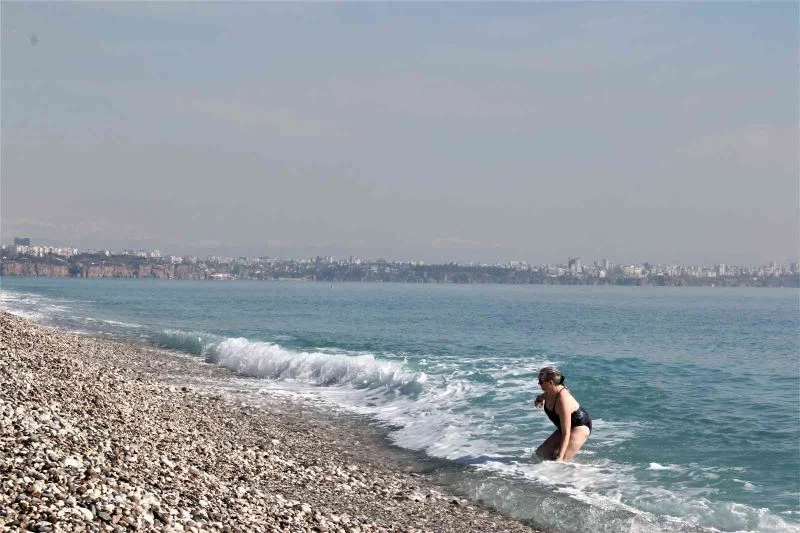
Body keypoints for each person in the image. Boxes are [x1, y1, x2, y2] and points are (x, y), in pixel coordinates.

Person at [533, 366, 592, 461]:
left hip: (579, 426)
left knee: (559, 460)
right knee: (540, 453)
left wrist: (560, 456)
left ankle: (580, 473)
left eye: (540, 382)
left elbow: (566, 433)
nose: (539, 384)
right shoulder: (550, 390)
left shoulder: (563, 401)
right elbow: (545, 395)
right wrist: (539, 399)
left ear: (550, 383)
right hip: (565, 427)